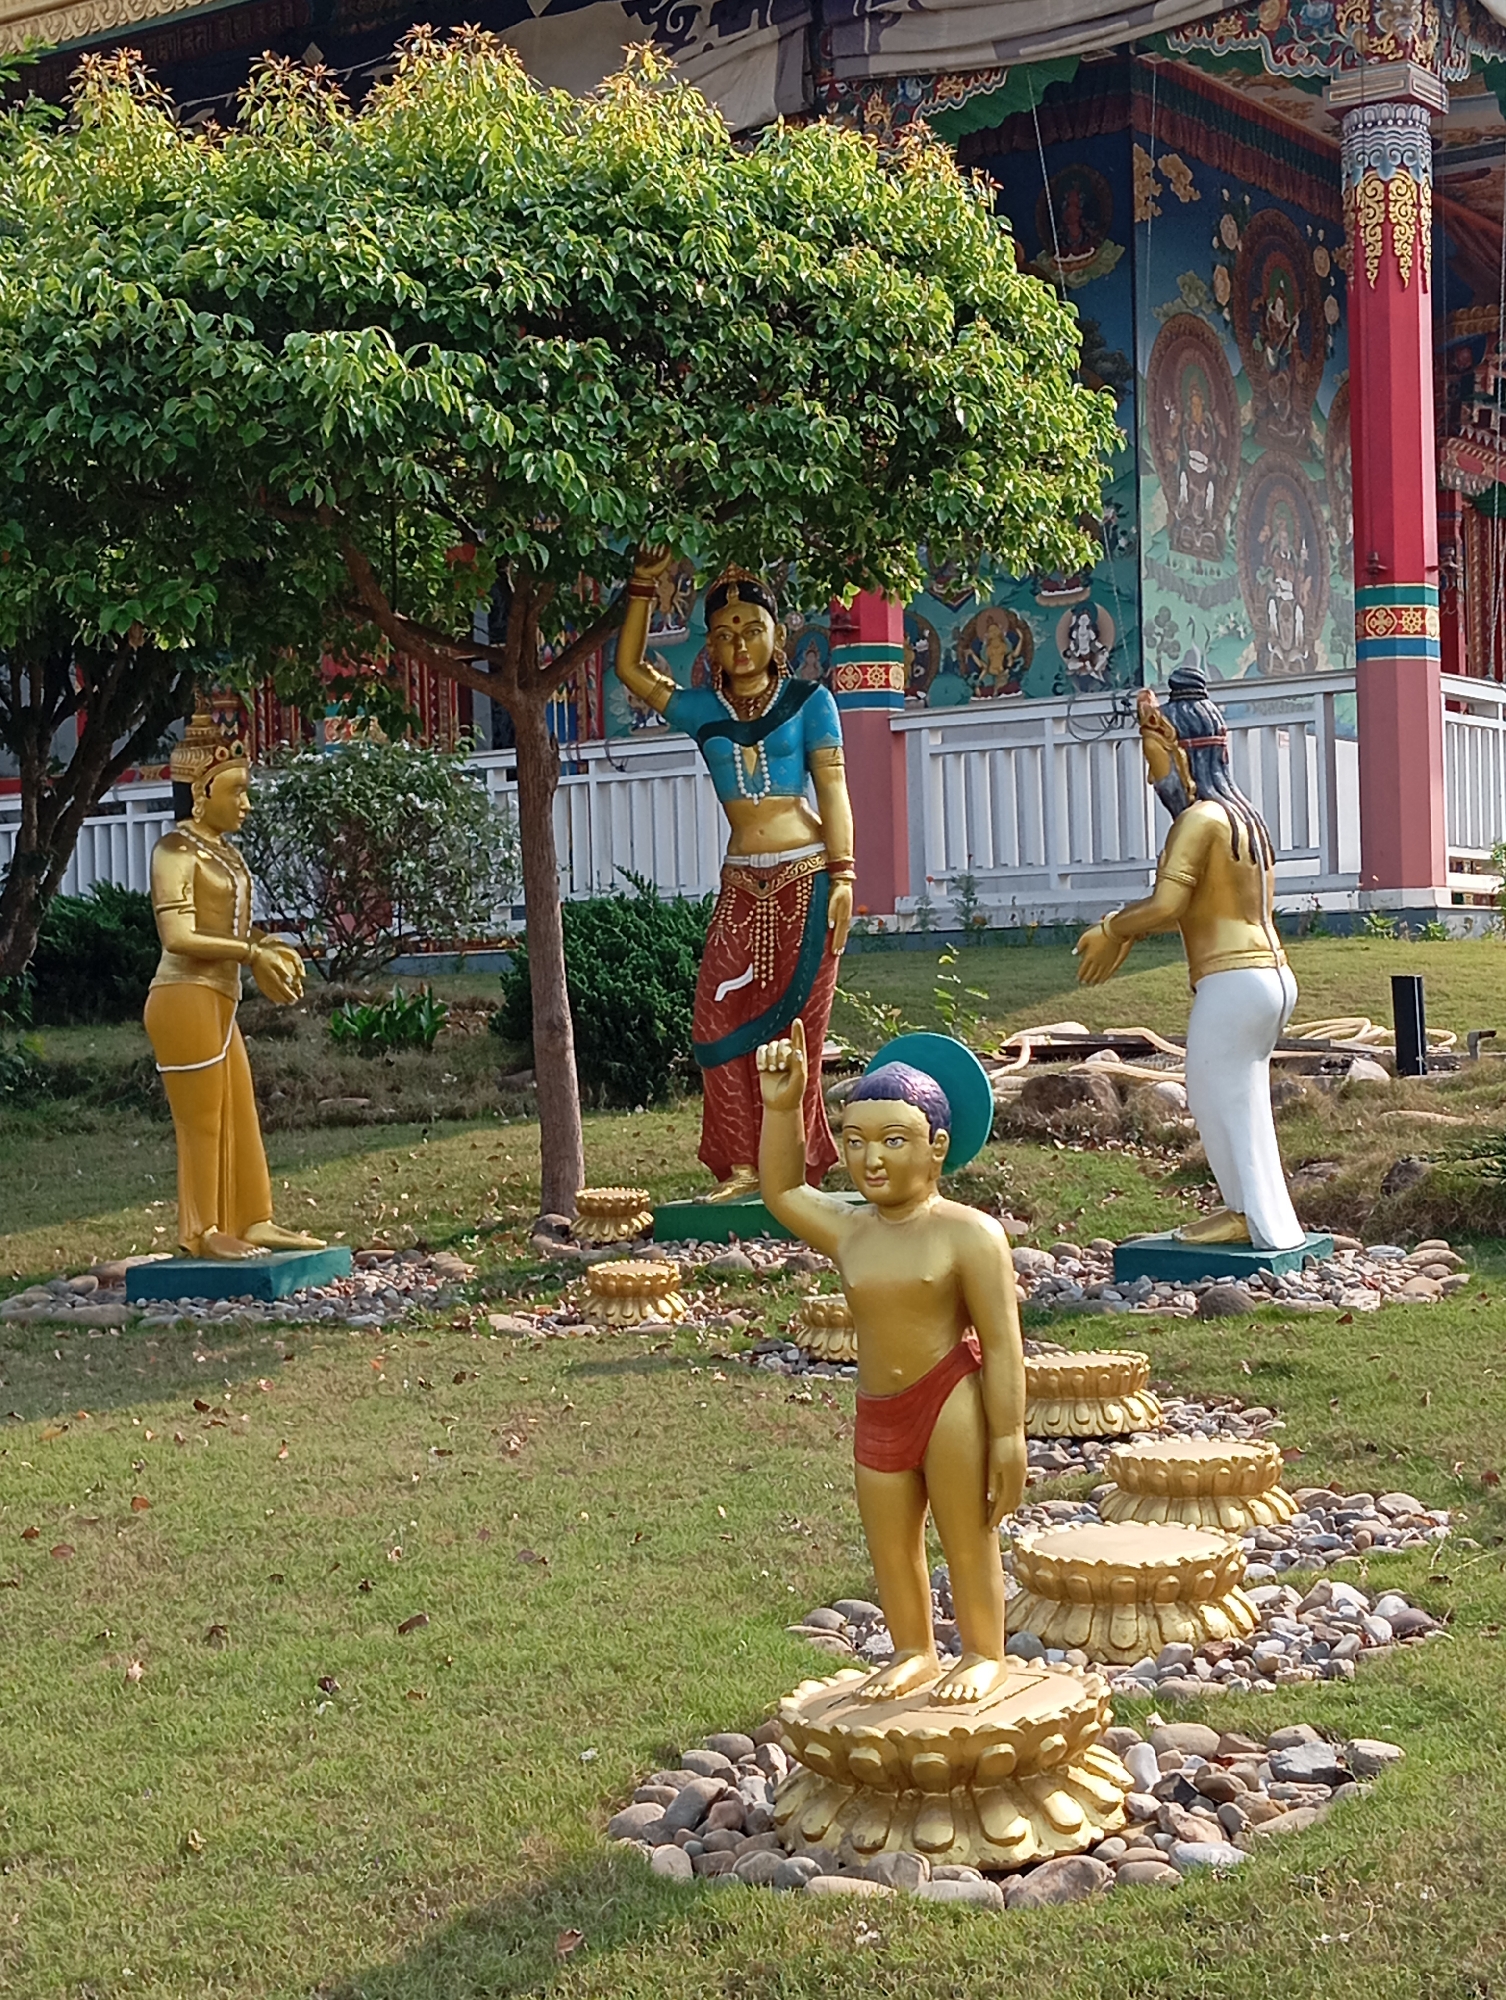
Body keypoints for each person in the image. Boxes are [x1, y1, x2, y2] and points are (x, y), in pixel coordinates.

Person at [757, 1021, 1026, 1704]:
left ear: (938, 1148)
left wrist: (1008, 1435)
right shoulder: (852, 1231)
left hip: (949, 1400)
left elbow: (1002, 1343)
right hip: (878, 1407)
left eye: (893, 1141)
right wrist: (784, 1108)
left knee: (967, 1533)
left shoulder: (970, 1234)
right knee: (891, 1540)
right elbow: (782, 1193)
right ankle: (913, 1648)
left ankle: (984, 1652)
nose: (870, 1159)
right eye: (855, 1142)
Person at [614, 548, 855, 1201]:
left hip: (808, 879)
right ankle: (741, 1167)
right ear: (710, 649)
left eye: (751, 629)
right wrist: (641, 587)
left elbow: (833, 790)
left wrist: (845, 876)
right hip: (742, 883)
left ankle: (794, 1168)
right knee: (715, 1023)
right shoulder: (702, 710)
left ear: (779, 634)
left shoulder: (810, 701)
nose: (739, 645)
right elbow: (630, 669)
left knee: (797, 1032)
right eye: (723, 635)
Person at [1075, 663, 1304, 1251]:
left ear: (1182, 754)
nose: (1152, 772)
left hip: (1233, 981)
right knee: (1243, 1098)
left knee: (1214, 1095)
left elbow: (1168, 904)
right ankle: (1264, 1217)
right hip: (1271, 975)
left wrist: (1112, 928)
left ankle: (1244, 1215)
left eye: (1154, 756)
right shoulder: (1243, 816)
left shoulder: (1199, 821)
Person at [143, 699, 326, 1261]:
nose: (245, 804)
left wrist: (267, 947)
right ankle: (201, 1230)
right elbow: (178, 936)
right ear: (202, 793)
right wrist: (250, 953)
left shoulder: (221, 852)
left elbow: (231, 928)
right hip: (182, 997)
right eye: (237, 792)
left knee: (240, 1112)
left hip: (219, 997)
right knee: (201, 1120)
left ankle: (253, 1219)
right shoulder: (174, 851)